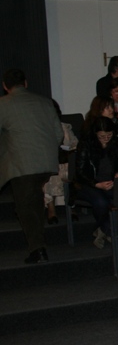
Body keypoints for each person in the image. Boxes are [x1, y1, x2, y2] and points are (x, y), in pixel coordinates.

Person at [0, 69, 64, 263]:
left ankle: (38, 249)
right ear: (25, 83)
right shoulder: (45, 102)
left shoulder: (3, 104)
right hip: (46, 162)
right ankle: (39, 246)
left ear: (5, 86)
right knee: (33, 202)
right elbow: (59, 135)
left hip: (22, 165)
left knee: (26, 207)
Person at [75, 117, 118, 249]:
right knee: (101, 202)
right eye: (102, 136)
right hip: (89, 183)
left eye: (109, 135)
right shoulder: (86, 144)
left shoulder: (116, 144)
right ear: (95, 134)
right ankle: (108, 231)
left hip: (109, 182)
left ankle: (102, 230)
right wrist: (96, 184)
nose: (106, 138)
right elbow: (80, 172)